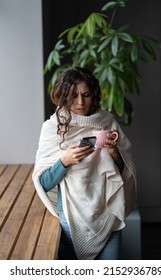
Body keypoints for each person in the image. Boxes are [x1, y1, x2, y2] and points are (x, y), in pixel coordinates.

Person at [32, 67, 137, 260]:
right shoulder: (52, 128)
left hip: (107, 218)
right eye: (73, 96)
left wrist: (114, 153)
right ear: (63, 96)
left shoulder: (106, 122)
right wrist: (64, 161)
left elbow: (124, 173)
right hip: (69, 225)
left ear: (94, 95)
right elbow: (44, 183)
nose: (80, 102)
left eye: (86, 95)